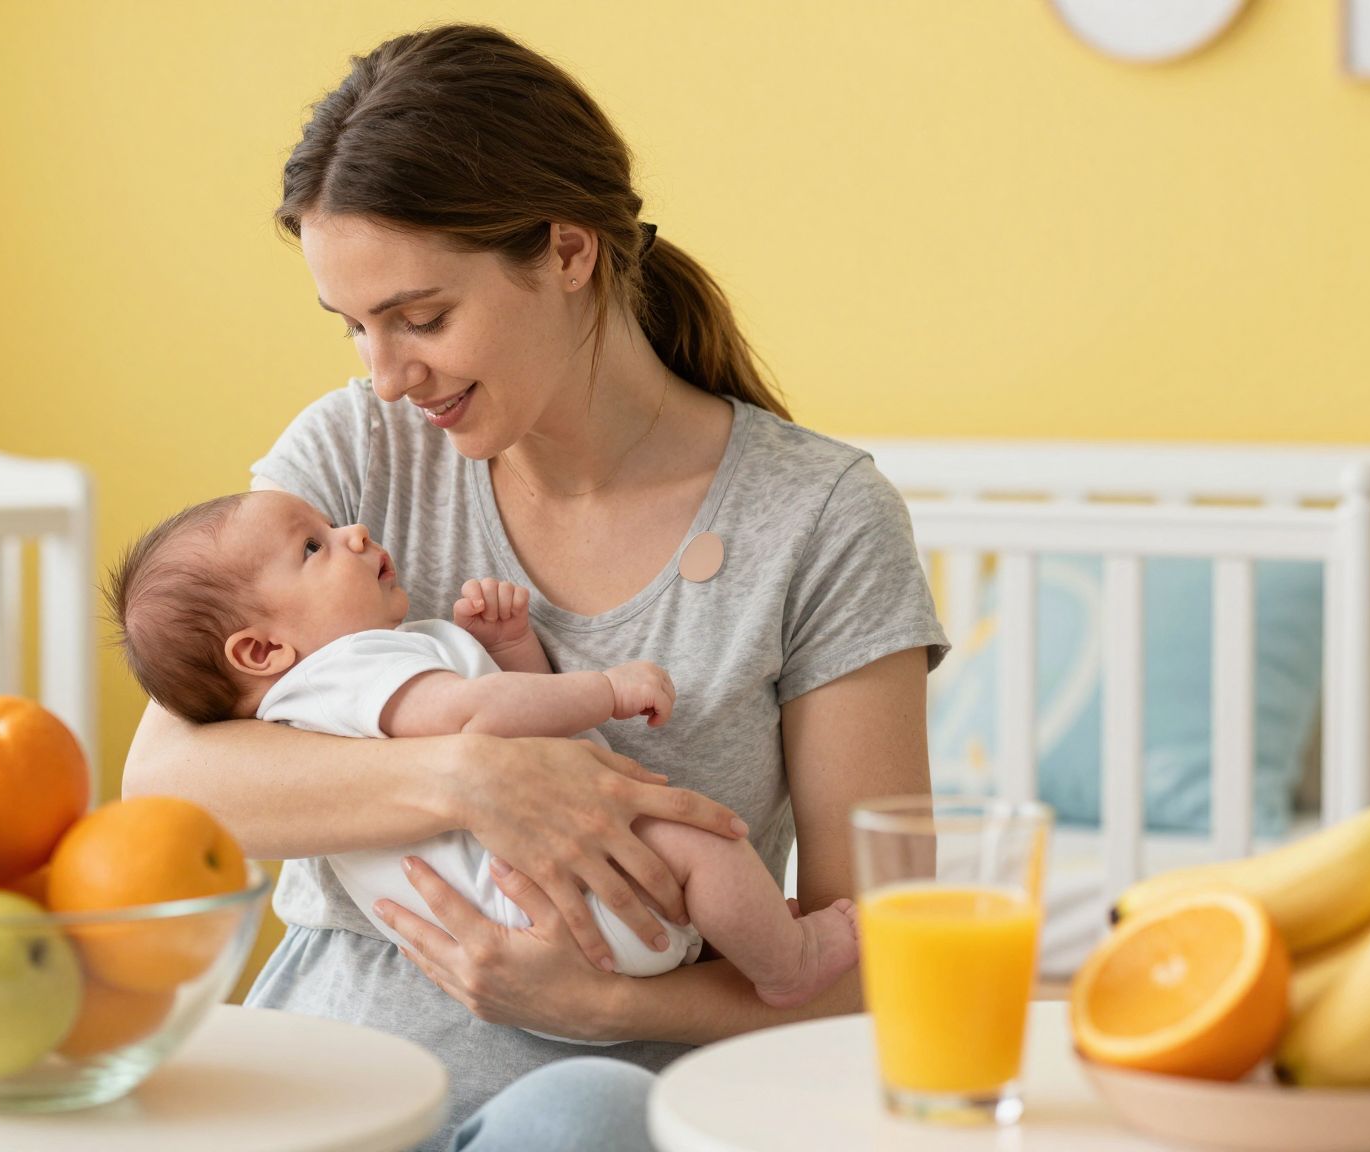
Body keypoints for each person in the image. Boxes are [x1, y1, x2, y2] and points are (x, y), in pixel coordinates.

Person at [121, 22, 946, 1151]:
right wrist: (471, 778)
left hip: (604, 1107)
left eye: (420, 318)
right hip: (327, 1079)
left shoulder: (816, 518)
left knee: (582, 1117)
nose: (387, 376)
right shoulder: (354, 457)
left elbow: (886, 957)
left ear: (567, 252)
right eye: (354, 328)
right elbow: (171, 779)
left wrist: (611, 1006)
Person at [103, 487, 864, 1038]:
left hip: (542, 933)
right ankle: (788, 962)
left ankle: (758, 934)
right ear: (262, 650)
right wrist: (604, 689)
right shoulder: (343, 674)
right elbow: (476, 720)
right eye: (314, 547)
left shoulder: (356, 674)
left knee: (700, 861)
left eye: (330, 526)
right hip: (552, 903)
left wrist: (507, 651)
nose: (355, 533)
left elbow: (498, 716)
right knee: (705, 846)